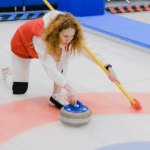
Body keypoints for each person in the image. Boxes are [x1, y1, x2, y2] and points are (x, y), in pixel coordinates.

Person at [1, 10, 120, 109]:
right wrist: (69, 87)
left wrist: (107, 66)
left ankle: (56, 95)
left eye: (72, 36)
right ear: (56, 32)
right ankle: (7, 73)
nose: (69, 39)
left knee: (64, 52)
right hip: (22, 48)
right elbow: (50, 67)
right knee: (19, 90)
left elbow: (87, 50)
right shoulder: (40, 36)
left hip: (49, 45)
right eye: (66, 36)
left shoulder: (68, 29)